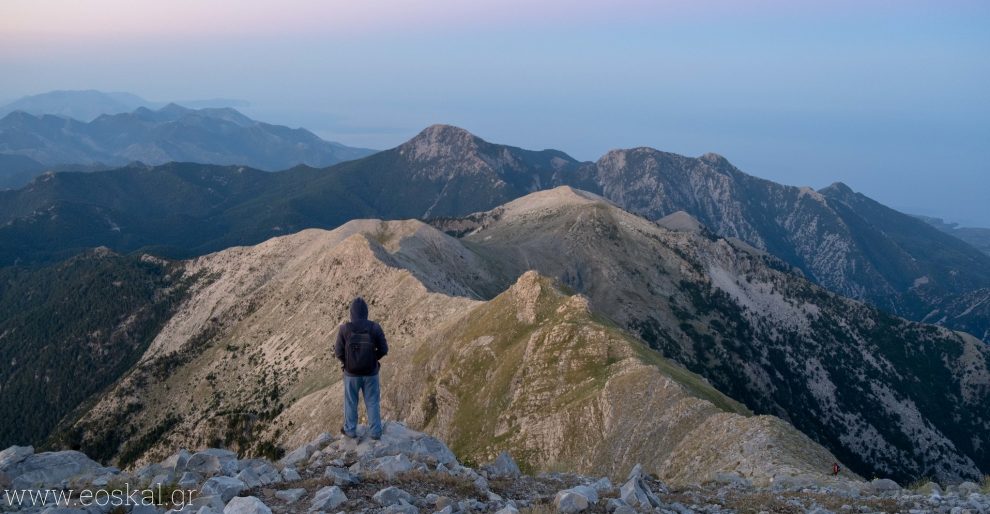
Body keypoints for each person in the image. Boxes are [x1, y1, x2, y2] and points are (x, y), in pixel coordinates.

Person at [334, 297, 388, 440]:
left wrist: (348, 363)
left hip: (351, 374)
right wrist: (373, 359)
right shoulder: (374, 327)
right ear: (366, 312)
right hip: (371, 373)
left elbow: (338, 352)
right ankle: (375, 432)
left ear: (351, 313)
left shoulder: (344, 329)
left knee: (351, 401)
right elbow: (384, 349)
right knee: (372, 401)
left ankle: (350, 430)